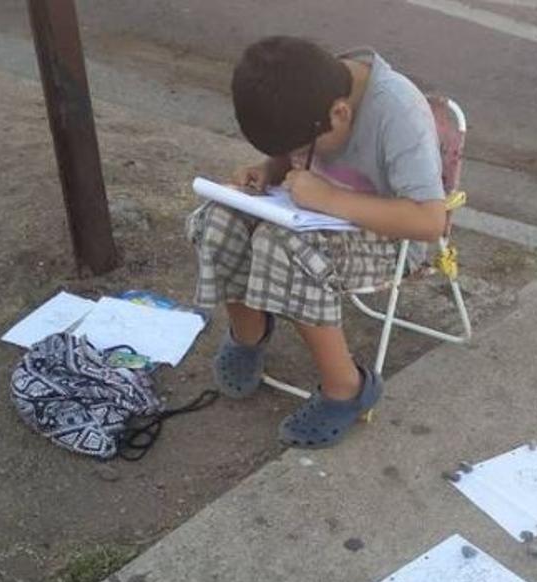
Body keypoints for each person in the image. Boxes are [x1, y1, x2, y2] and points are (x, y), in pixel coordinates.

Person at [186, 36, 447, 449]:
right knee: (218, 217)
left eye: (300, 149)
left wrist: (331, 199)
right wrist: (268, 170)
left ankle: (346, 386)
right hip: (313, 212)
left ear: (340, 113)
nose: (296, 155)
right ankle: (248, 332)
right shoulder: (312, 86)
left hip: (392, 238)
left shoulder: (399, 112)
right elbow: (293, 156)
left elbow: (431, 221)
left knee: (281, 245)